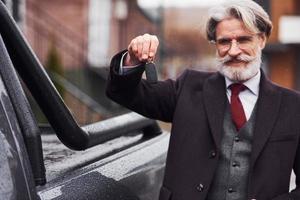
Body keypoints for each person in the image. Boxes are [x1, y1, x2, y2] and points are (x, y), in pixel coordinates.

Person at [106, 0, 300, 199]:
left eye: (243, 40)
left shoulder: (293, 106)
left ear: (262, 40)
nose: (233, 51)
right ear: (215, 44)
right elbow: (126, 93)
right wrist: (132, 60)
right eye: (224, 42)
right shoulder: (188, 87)